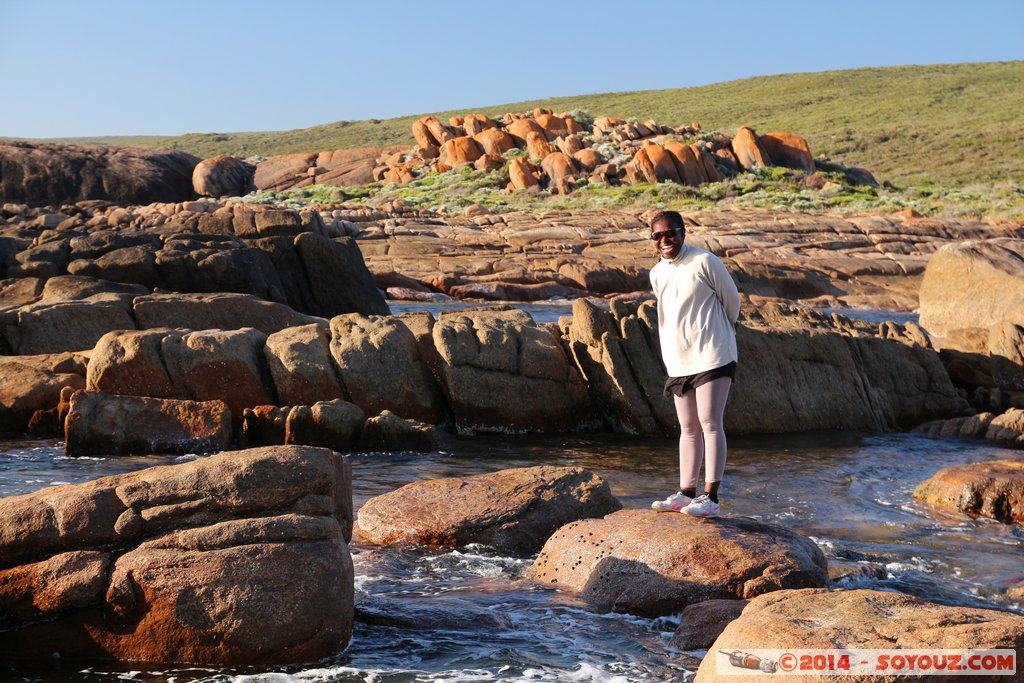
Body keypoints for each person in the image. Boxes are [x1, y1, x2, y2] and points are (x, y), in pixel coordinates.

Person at [647, 210, 740, 517]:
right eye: (657, 236)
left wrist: (716, 333)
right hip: (679, 361)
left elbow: (733, 304)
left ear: (682, 232)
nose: (664, 240)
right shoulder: (657, 273)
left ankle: (710, 497)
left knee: (710, 423)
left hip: (713, 354)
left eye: (669, 233)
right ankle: (686, 493)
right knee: (688, 428)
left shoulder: (705, 262)